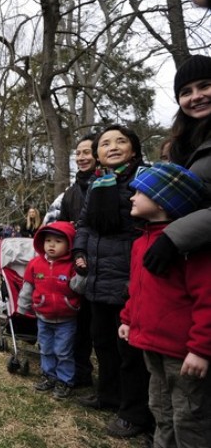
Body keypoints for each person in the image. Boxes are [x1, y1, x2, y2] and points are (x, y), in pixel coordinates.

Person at [118, 162, 211, 448]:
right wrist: (128, 318)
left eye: (140, 192)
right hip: (151, 346)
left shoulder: (191, 247)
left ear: (162, 201)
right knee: (160, 408)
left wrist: (201, 349)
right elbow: (137, 289)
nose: (132, 197)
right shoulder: (140, 242)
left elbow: (206, 299)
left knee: (189, 416)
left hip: (183, 354)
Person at [73, 124, 152, 439]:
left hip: (128, 277)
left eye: (121, 141)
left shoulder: (143, 180)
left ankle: (134, 413)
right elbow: (84, 223)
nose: (113, 146)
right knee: (102, 340)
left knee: (130, 350)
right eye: (105, 143)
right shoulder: (97, 184)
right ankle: (108, 395)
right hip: (96, 276)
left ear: (133, 149)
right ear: (98, 155)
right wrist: (79, 249)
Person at [142, 55, 211, 277]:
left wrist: (174, 237)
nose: (196, 96)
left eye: (205, 86)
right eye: (186, 92)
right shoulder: (180, 146)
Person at [17, 221, 85, 399]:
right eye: (48, 240)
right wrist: (22, 307)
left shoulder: (71, 266)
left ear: (69, 243)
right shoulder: (34, 264)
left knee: (63, 351)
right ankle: (49, 375)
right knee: (46, 348)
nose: (52, 245)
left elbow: (78, 288)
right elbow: (28, 287)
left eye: (58, 241)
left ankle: (65, 380)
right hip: (43, 316)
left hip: (67, 318)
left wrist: (82, 274)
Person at [58, 133, 98, 388]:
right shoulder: (71, 192)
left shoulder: (109, 183)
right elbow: (60, 227)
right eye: (79, 153)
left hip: (105, 264)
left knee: (102, 328)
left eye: (87, 152)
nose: (82, 157)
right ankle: (80, 372)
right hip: (78, 265)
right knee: (80, 323)